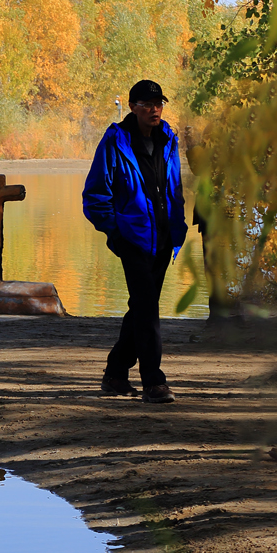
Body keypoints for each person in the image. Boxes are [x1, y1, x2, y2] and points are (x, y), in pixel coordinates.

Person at [83, 79, 188, 403]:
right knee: (147, 309)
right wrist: (116, 232)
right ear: (133, 107)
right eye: (147, 104)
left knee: (141, 308)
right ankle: (154, 382)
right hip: (133, 238)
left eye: (158, 103)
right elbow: (95, 195)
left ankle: (115, 374)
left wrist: (178, 226)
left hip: (164, 237)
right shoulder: (116, 142)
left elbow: (174, 190)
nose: (154, 109)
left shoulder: (169, 139)